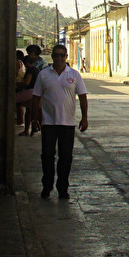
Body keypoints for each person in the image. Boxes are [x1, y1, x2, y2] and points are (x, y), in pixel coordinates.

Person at [32, 43, 90, 199]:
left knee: (66, 157)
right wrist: (34, 119)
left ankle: (63, 187)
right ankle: (47, 185)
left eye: (61, 55)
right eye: (56, 55)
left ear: (66, 57)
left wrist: (84, 118)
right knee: (47, 156)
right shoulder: (43, 75)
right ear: (52, 57)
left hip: (67, 124)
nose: (58, 58)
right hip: (48, 123)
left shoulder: (74, 75)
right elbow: (36, 98)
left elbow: (83, 96)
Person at [19, 44, 44, 136]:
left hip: (38, 90)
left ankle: (36, 128)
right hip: (35, 90)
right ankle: (29, 129)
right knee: (30, 110)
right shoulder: (32, 64)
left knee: (37, 111)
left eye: (30, 53)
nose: (29, 55)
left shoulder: (41, 63)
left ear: (35, 54)